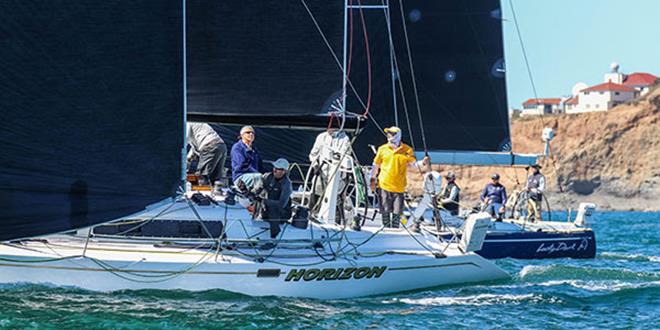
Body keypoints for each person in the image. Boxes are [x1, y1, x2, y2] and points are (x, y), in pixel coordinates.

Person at [370, 126, 429, 229]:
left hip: (399, 187)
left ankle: (394, 230)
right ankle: (385, 229)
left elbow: (414, 164)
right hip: (384, 184)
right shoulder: (382, 149)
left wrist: (423, 163)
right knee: (385, 210)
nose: (389, 136)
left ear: (398, 135)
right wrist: (372, 179)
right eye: (388, 133)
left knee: (397, 212)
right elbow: (376, 165)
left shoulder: (407, 150)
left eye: (392, 134)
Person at [261, 158, 293, 238]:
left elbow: (282, 204)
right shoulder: (267, 176)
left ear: (284, 171)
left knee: (274, 208)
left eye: (278, 169)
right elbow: (259, 187)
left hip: (281, 213)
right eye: (274, 167)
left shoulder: (287, 184)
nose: (274, 170)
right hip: (267, 209)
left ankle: (274, 235)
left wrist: (265, 201)